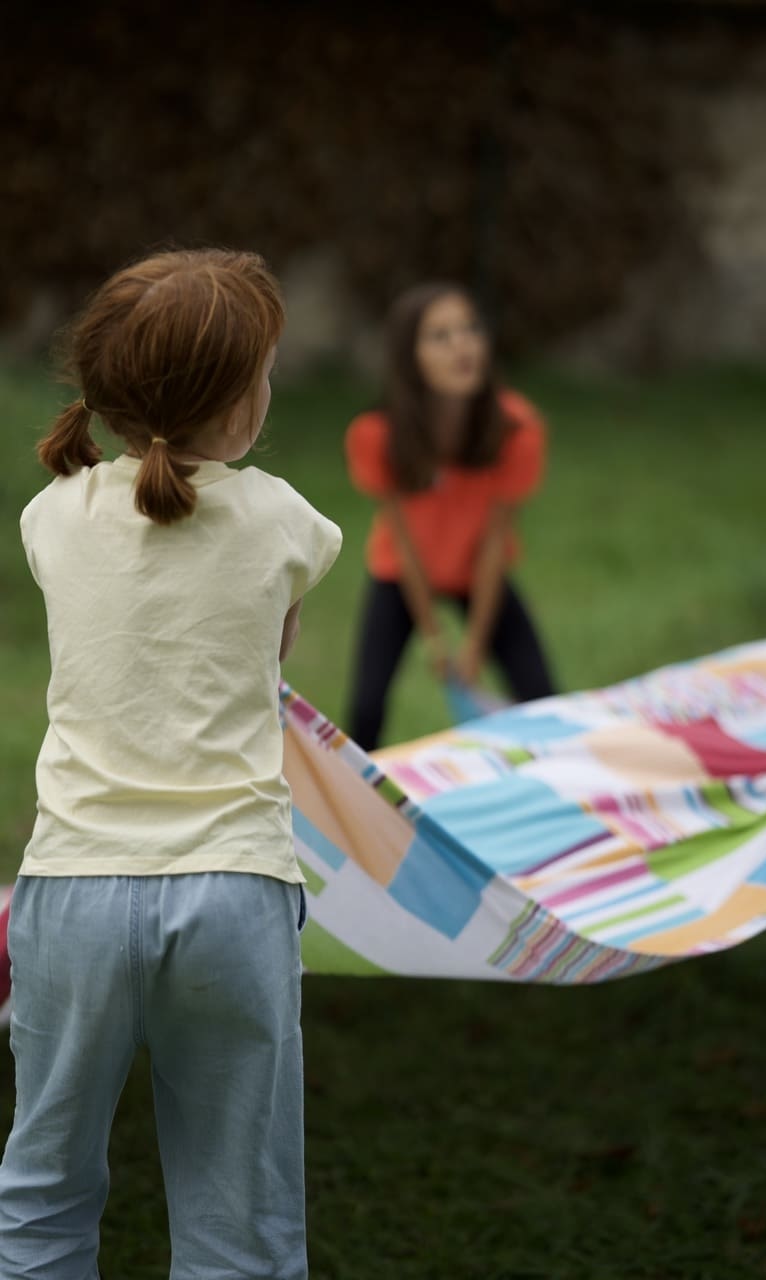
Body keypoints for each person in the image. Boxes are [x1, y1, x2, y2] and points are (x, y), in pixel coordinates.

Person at [0, 249, 341, 1280]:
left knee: (46, 1180)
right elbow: (262, 648)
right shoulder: (285, 519)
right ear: (237, 406)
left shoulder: (50, 517)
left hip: (73, 890)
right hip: (234, 889)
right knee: (241, 1212)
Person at [344, 282, 555, 750]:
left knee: (543, 696)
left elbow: (496, 542)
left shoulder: (516, 429)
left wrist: (474, 643)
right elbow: (401, 543)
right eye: (440, 336)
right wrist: (436, 639)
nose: (462, 346)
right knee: (366, 708)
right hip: (403, 571)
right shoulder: (376, 436)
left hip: (480, 570)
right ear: (409, 356)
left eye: (470, 329)